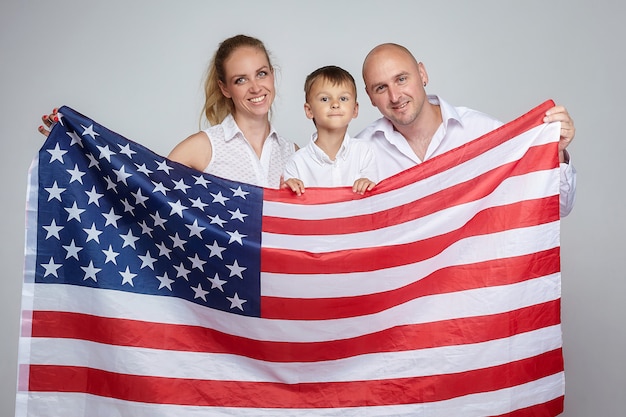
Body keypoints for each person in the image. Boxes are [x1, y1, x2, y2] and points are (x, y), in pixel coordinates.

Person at [39, 34, 296, 189]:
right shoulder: (205, 148)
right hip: (221, 279)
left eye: (261, 74)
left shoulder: (294, 153)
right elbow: (143, 192)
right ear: (225, 88)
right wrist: (76, 144)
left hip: (282, 279)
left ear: (272, 75)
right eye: (241, 79)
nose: (255, 87)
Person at [356, 43, 577, 217]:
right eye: (381, 88)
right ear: (369, 97)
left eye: (401, 79)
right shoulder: (358, 154)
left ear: (422, 74)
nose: (395, 96)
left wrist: (554, 153)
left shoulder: (481, 131)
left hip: (474, 274)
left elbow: (556, 207)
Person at [282, 65, 377, 196]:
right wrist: (288, 191)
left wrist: (369, 183)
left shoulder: (366, 153)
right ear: (309, 111)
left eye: (343, 98)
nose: (335, 104)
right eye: (324, 99)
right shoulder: (296, 164)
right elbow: (291, 208)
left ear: (355, 109)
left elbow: (378, 198)